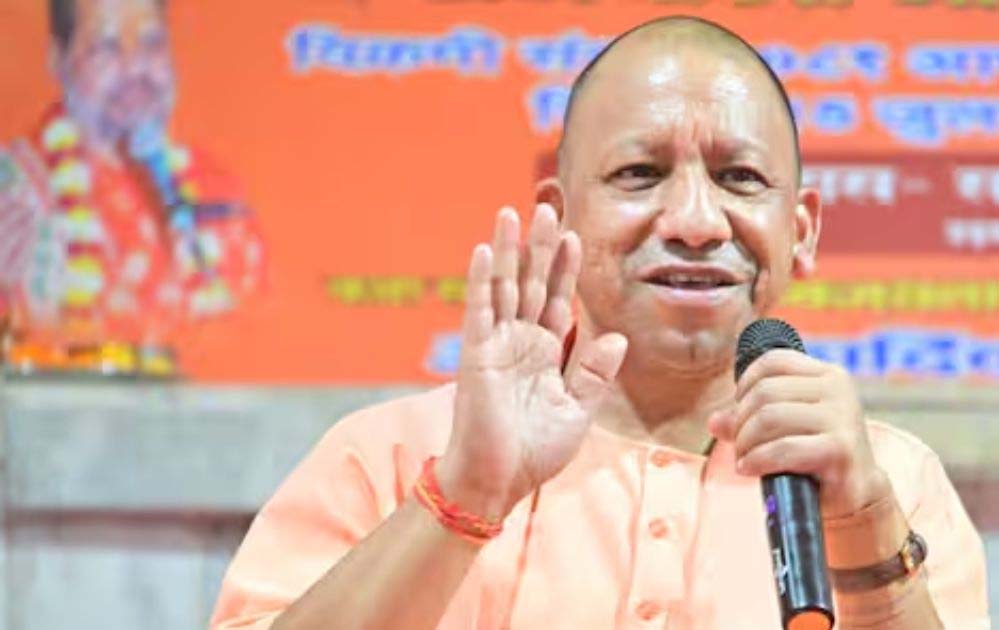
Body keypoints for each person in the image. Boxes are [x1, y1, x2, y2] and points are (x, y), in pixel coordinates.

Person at [210, 16, 988, 630]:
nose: (694, 221)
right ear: (561, 217)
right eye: (639, 174)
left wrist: (859, 519)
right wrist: (464, 495)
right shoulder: (389, 455)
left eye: (739, 177)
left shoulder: (887, 478)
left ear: (801, 231)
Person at [0, 0, 263, 376]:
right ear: (58, 60)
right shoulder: (19, 188)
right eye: (106, 48)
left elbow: (256, 336)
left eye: (152, 44)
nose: (136, 67)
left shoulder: (215, 188)